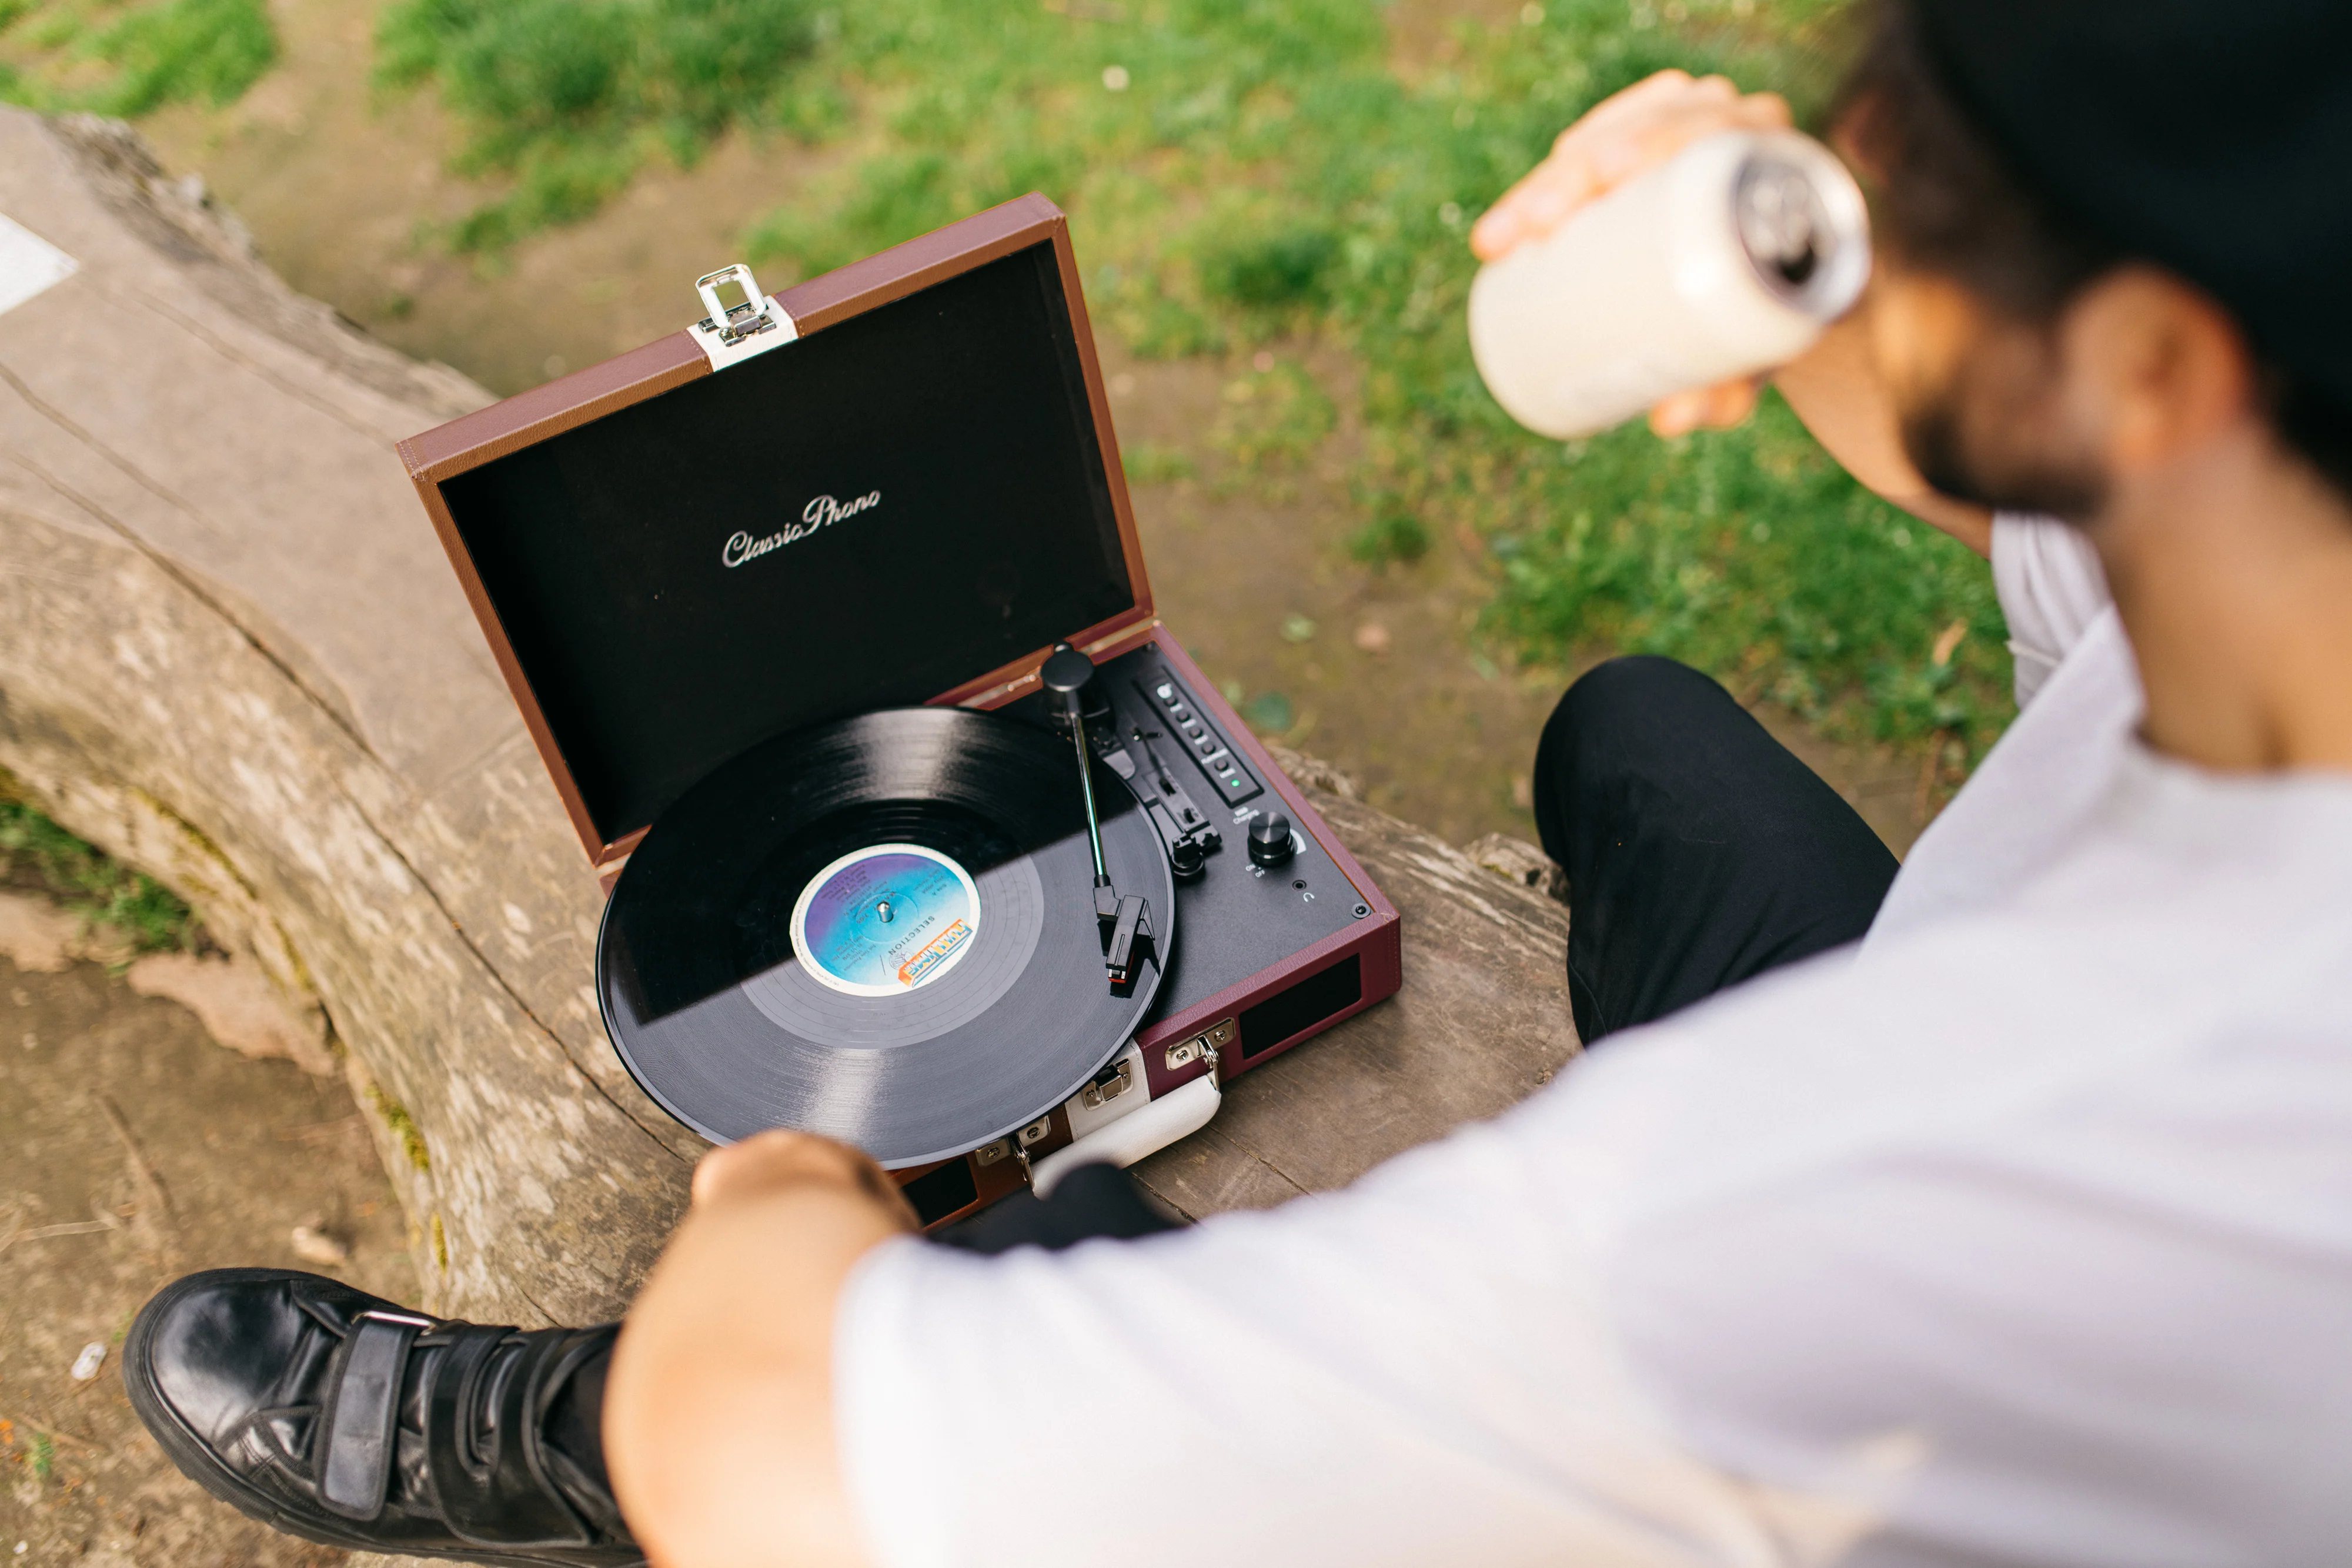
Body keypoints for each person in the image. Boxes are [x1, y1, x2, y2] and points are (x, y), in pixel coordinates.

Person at [122, 1, 2352, 1563]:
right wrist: (1834, 316)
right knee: (1635, 733)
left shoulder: (1808, 1227)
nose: (1857, 151)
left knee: (1042, 1256)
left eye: (1919, 146)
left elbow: (779, 1451)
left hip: (1891, 1401)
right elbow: (2071, 526)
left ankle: (540, 1457)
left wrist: (792, 1197)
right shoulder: (2267, 497)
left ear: (2157, 365)